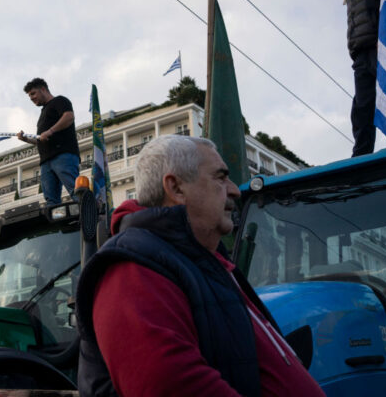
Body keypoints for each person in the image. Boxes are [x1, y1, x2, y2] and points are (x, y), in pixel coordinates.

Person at [76, 136, 325, 396]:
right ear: (176, 188)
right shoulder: (131, 268)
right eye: (220, 177)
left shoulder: (202, 261)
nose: (234, 190)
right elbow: (170, 385)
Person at [334, 0, 384, 156]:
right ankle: (361, 157)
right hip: (360, 55)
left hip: (381, 48)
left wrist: (385, 41)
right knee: (362, 107)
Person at [17, 78, 80, 205]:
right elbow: (42, 140)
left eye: (33, 93)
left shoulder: (60, 100)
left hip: (63, 155)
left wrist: (50, 131)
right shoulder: (43, 113)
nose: (32, 98)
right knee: (51, 201)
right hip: (46, 161)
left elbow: (69, 116)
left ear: (43, 89)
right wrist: (26, 139)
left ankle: (90, 213)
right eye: (30, 96)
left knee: (76, 191)